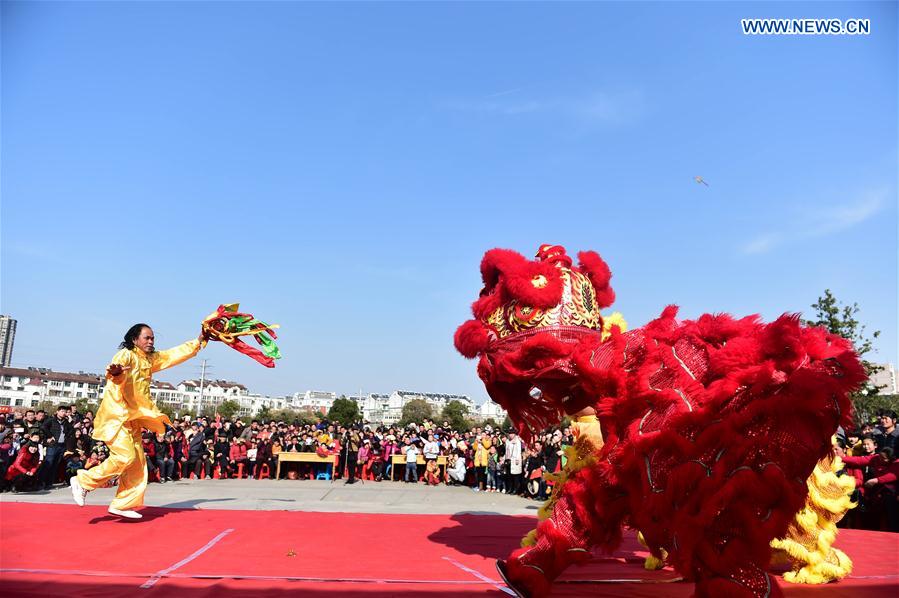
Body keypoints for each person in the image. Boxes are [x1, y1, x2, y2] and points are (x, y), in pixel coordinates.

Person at [69, 323, 205, 518]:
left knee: (137, 464)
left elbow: (172, 355)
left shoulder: (149, 359)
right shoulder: (126, 355)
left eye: (152, 338)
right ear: (134, 339)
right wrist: (116, 372)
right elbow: (114, 373)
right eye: (146, 338)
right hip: (116, 416)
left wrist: (198, 341)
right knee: (125, 457)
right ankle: (83, 481)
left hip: (133, 419)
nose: (150, 341)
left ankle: (123, 504)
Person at [39, 405, 74, 489]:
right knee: (48, 463)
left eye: (65, 412)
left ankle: (49, 483)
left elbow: (71, 430)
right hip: (52, 445)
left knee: (55, 465)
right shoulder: (51, 420)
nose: (63, 413)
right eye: (62, 411)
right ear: (57, 411)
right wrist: (50, 436)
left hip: (61, 445)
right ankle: (41, 482)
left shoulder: (65, 421)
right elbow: (43, 427)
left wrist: (66, 435)